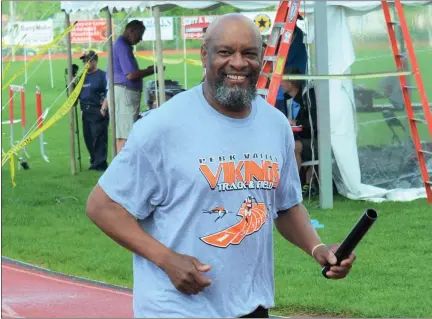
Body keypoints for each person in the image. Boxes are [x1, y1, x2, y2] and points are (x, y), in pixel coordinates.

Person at [86, 13, 355, 319]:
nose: (238, 63)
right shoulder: (162, 127)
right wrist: (167, 259)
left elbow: (286, 206)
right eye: (226, 52)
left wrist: (317, 248)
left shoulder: (275, 125)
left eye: (249, 53)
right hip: (175, 309)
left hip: (251, 306)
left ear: (262, 58)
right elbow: (102, 205)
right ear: (205, 54)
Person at [112, 20, 157, 153]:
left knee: (125, 133)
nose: (141, 39)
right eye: (140, 34)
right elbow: (130, 75)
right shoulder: (122, 46)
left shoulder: (123, 45)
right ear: (131, 31)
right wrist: (150, 70)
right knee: (125, 136)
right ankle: (122, 170)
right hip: (125, 93)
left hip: (124, 93)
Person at [280, 67, 318, 195]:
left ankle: (293, 186)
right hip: (296, 137)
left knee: (294, 147)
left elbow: (316, 122)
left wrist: (296, 123)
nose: (280, 83)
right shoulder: (285, 99)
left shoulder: (308, 98)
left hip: (314, 140)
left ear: (291, 83)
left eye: (283, 81)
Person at [78, 50, 109, 171]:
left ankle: (100, 163)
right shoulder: (82, 77)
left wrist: (104, 108)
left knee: (99, 138)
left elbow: (108, 92)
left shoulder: (102, 76)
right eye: (84, 61)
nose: (85, 63)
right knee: (88, 137)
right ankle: (94, 160)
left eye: (87, 60)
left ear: (95, 61)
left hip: (98, 109)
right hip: (86, 111)